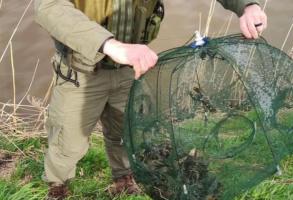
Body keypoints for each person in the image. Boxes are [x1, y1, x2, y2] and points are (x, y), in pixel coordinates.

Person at [34, 0, 267, 199]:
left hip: (131, 67)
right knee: (67, 141)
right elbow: (48, 6)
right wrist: (109, 45)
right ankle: (57, 185)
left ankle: (124, 178)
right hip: (80, 71)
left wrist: (248, 6)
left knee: (129, 131)